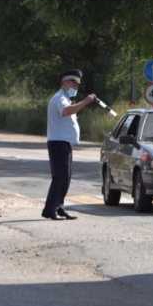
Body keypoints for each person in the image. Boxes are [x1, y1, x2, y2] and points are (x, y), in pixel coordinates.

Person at [42, 69, 96, 220]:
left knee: (66, 177)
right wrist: (85, 102)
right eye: (74, 83)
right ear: (65, 82)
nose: (76, 87)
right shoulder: (59, 98)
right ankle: (50, 209)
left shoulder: (65, 98)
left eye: (78, 84)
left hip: (64, 143)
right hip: (57, 142)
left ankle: (59, 207)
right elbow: (66, 111)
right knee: (59, 177)